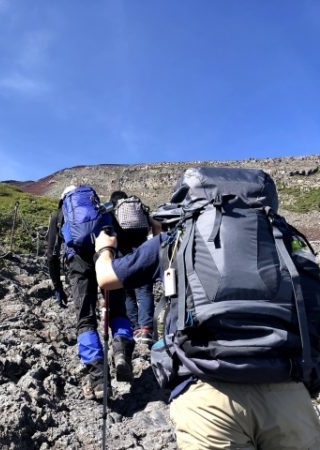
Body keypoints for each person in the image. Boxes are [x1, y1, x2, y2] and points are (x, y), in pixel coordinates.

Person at [94, 169, 320, 449]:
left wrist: (105, 248)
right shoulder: (285, 239)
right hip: (287, 392)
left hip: (205, 392)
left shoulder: (175, 238)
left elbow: (106, 278)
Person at [47, 185, 134, 400]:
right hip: (107, 258)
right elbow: (119, 238)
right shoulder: (102, 210)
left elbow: (51, 254)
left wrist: (58, 287)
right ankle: (121, 350)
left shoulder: (59, 215)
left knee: (85, 320)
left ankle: (98, 379)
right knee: (118, 311)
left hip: (77, 265)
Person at [109, 191, 155, 346]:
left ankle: (135, 328)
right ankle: (146, 329)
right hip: (143, 252)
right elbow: (151, 226)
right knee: (144, 291)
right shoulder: (137, 209)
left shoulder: (114, 211)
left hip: (123, 256)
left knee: (127, 292)